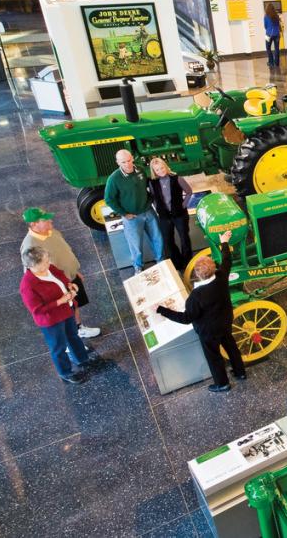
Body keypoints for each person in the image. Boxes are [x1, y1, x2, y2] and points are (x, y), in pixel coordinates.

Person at [156, 231, 246, 392]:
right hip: (225, 322)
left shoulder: (196, 296)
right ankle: (240, 372)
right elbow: (227, 260)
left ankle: (222, 383)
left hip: (208, 330)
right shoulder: (221, 276)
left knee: (214, 356)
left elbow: (186, 318)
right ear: (213, 268)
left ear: (198, 274)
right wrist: (224, 241)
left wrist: (162, 310)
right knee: (231, 346)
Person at [20, 207, 100, 341]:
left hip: (70, 277)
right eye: (45, 220)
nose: (50, 220)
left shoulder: (52, 232)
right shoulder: (30, 246)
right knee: (64, 312)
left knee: (74, 305)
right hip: (57, 285)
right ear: (34, 224)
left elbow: (65, 253)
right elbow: (33, 272)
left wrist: (74, 271)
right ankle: (69, 340)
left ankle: (79, 329)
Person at [21, 246, 94, 384]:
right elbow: (37, 310)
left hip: (66, 310)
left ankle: (82, 359)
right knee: (58, 347)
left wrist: (70, 285)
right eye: (45, 262)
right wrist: (60, 301)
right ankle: (66, 372)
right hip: (52, 320)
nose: (49, 263)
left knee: (73, 336)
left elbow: (61, 275)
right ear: (33, 265)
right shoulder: (28, 286)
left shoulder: (49, 267)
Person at [105, 149, 163, 271]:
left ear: (132, 158)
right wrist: (124, 214)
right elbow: (109, 199)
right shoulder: (114, 179)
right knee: (135, 245)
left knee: (157, 238)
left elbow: (148, 185)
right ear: (118, 162)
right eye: (123, 162)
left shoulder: (140, 170)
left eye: (129, 160)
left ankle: (160, 261)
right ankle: (138, 267)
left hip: (148, 211)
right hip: (132, 217)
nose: (127, 164)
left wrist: (151, 199)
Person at [148, 158, 193, 270]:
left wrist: (183, 205)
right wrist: (157, 207)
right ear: (154, 172)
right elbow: (153, 197)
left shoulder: (177, 178)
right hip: (164, 216)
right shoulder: (152, 182)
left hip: (180, 215)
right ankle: (177, 263)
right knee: (168, 241)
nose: (161, 171)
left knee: (184, 238)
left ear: (166, 166)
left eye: (162, 168)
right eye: (157, 170)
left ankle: (187, 263)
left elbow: (189, 192)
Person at [264, 3, 282, 67]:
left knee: (268, 48)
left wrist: (269, 29)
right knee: (277, 49)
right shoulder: (276, 15)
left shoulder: (266, 16)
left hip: (268, 34)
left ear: (267, 9)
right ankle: (276, 63)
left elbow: (265, 26)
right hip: (277, 34)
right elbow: (278, 25)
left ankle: (271, 62)